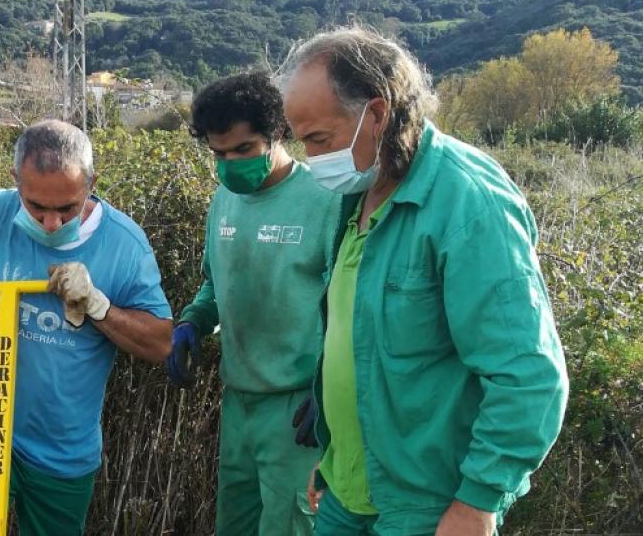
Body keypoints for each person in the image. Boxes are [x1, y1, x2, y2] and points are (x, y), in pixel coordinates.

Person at [276, 27, 568, 536]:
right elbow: (359, 340)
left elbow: (530, 375)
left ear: (379, 113)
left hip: (427, 509)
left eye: (319, 139)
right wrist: (334, 454)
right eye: (302, 141)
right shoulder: (355, 195)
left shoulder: (468, 202)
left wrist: (478, 501)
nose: (310, 157)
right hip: (346, 495)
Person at [0, 119, 173, 536]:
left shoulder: (124, 244)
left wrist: (98, 305)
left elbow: (160, 343)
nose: (51, 223)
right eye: (36, 206)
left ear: (91, 182)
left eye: (66, 208)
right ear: (15, 181)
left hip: (62, 444)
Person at [165, 71, 340, 536]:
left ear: (277, 133)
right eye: (218, 154)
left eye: (243, 150)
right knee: (234, 526)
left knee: (289, 527)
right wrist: (193, 323)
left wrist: (329, 392)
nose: (230, 164)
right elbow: (214, 286)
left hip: (298, 408)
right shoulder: (224, 200)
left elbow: (348, 308)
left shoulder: (325, 201)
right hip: (238, 400)